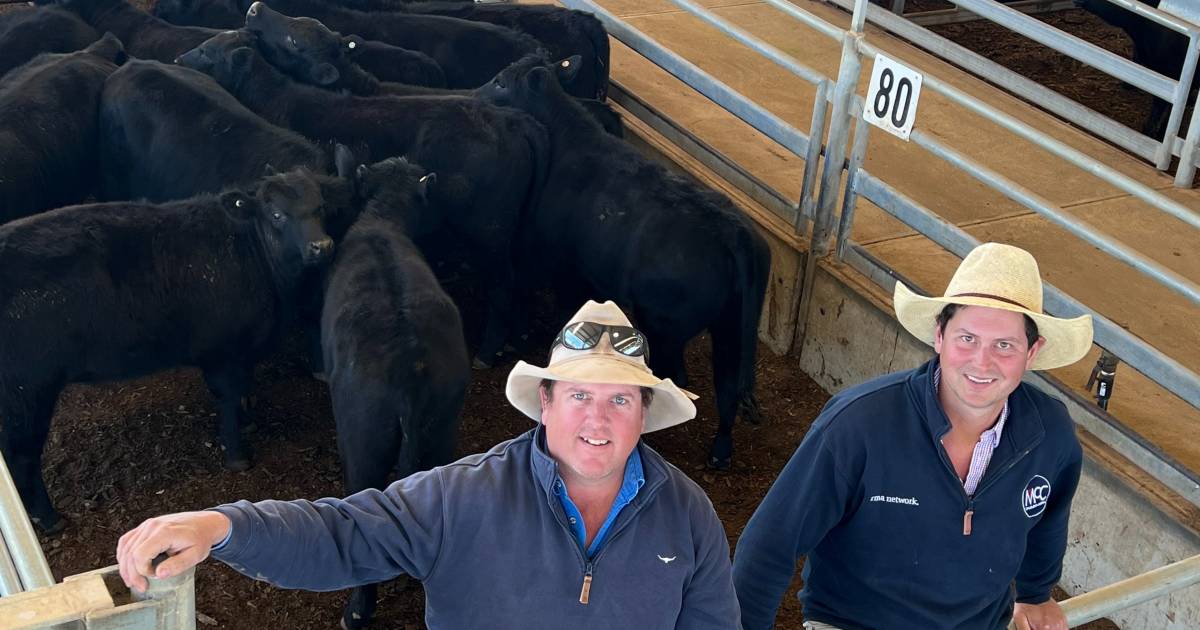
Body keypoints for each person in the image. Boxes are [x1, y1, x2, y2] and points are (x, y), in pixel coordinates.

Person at [116, 300, 742, 629]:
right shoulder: (461, 498)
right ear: (544, 403)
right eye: (579, 395)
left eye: (619, 400)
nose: (598, 421)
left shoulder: (687, 515)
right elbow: (342, 534)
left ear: (644, 412)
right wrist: (223, 527)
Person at [732, 243, 1093, 630]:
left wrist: (1035, 592)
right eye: (967, 339)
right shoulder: (859, 424)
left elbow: (1050, 511)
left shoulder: (1048, 431)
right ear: (939, 336)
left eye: (1004, 345)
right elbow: (770, 546)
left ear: (1032, 351)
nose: (982, 361)